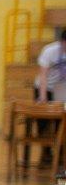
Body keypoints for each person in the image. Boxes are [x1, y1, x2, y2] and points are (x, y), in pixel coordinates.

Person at [34, 27, 66, 167]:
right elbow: (43, 74)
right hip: (44, 87)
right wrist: (42, 97)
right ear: (62, 41)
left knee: (62, 120)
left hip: (61, 88)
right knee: (43, 121)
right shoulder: (50, 50)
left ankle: (59, 150)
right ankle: (46, 151)